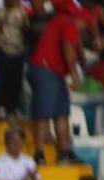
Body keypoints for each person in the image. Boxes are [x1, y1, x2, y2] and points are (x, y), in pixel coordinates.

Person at [29, 0, 85, 165]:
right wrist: (74, 74)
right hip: (46, 68)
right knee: (43, 112)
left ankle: (65, 151)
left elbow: (74, 47)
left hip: (54, 70)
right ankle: (39, 153)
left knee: (62, 112)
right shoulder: (67, 22)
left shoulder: (58, 21)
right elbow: (68, 48)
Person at [0, 0, 29, 120]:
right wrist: (5, 16)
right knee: (4, 78)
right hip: (3, 48)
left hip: (18, 48)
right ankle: (2, 106)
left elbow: (26, 29)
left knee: (16, 80)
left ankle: (14, 108)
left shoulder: (22, 11)